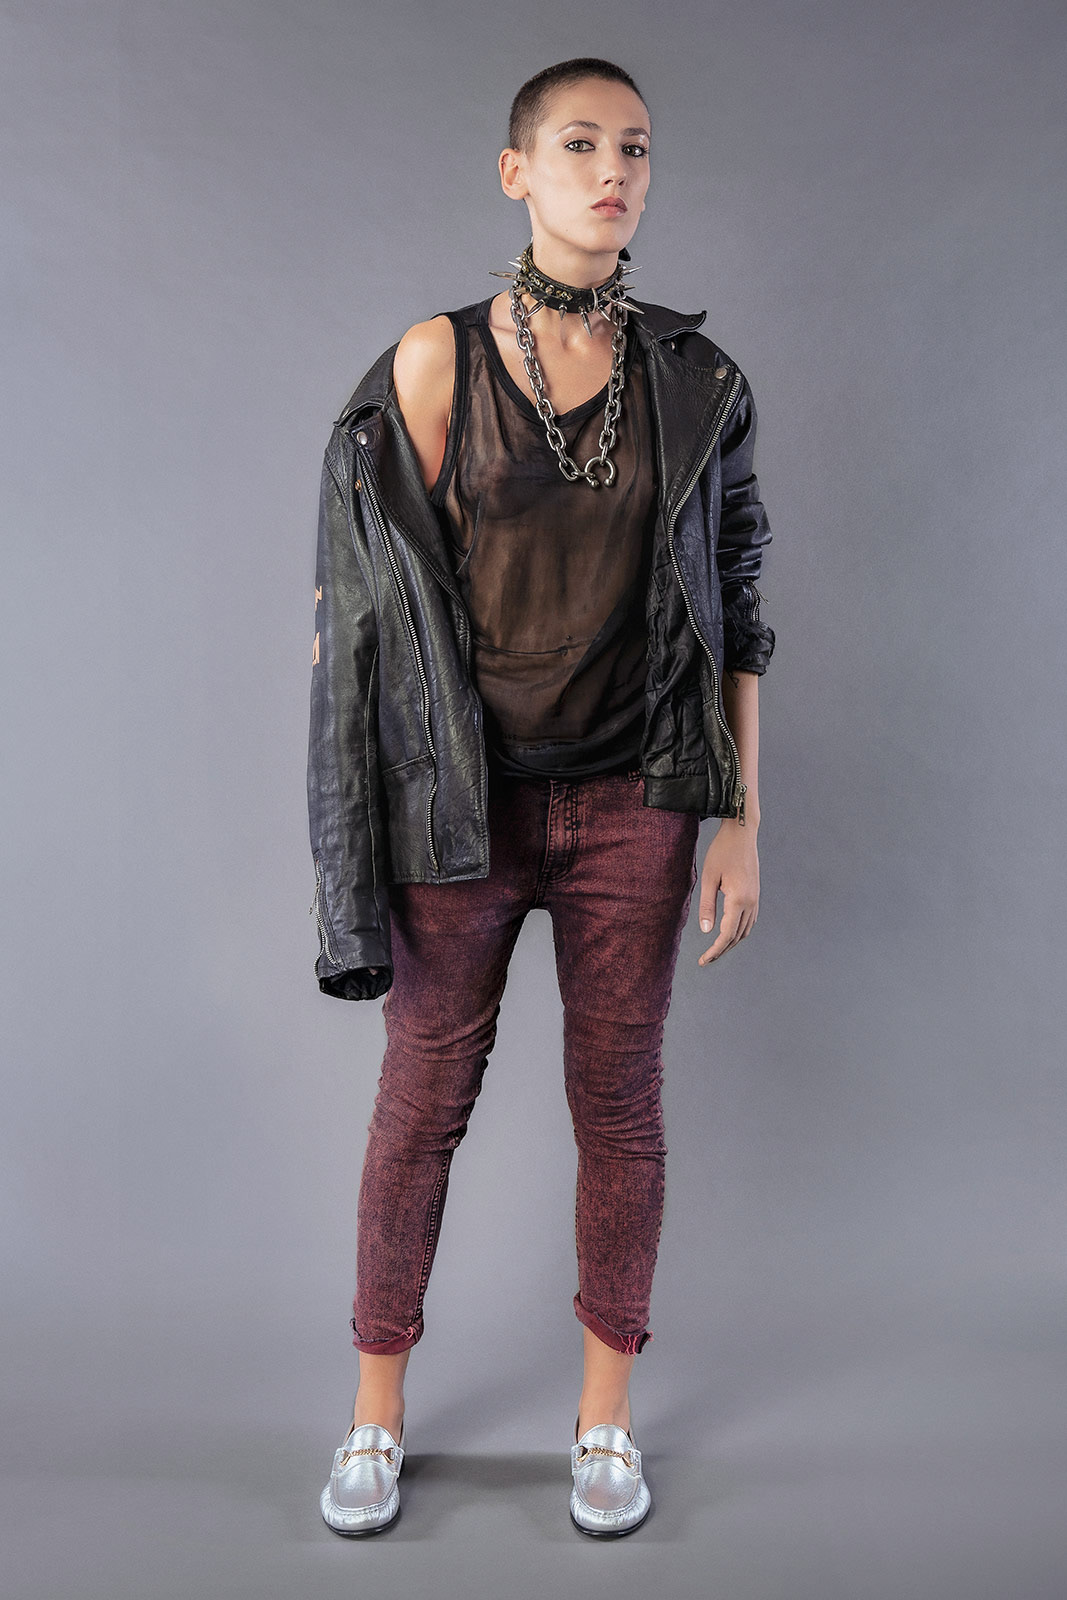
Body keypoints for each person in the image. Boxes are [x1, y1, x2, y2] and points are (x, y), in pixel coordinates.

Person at [307, 56, 775, 1539]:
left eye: (633, 148)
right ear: (517, 172)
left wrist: (739, 813)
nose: (611, 171)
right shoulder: (435, 361)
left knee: (619, 1108)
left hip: (638, 801)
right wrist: (361, 827)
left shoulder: (698, 381)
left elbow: (740, 600)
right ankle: (374, 1416)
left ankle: (603, 1424)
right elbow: (364, 611)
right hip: (463, 805)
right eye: (579, 144)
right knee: (421, 1101)